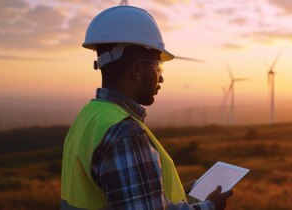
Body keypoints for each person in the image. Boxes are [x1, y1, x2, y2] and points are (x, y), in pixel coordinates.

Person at [60, 5, 233, 210]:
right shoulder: (125, 133)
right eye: (158, 67)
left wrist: (171, 193)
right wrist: (210, 206)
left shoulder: (88, 117)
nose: (161, 77)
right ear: (137, 69)